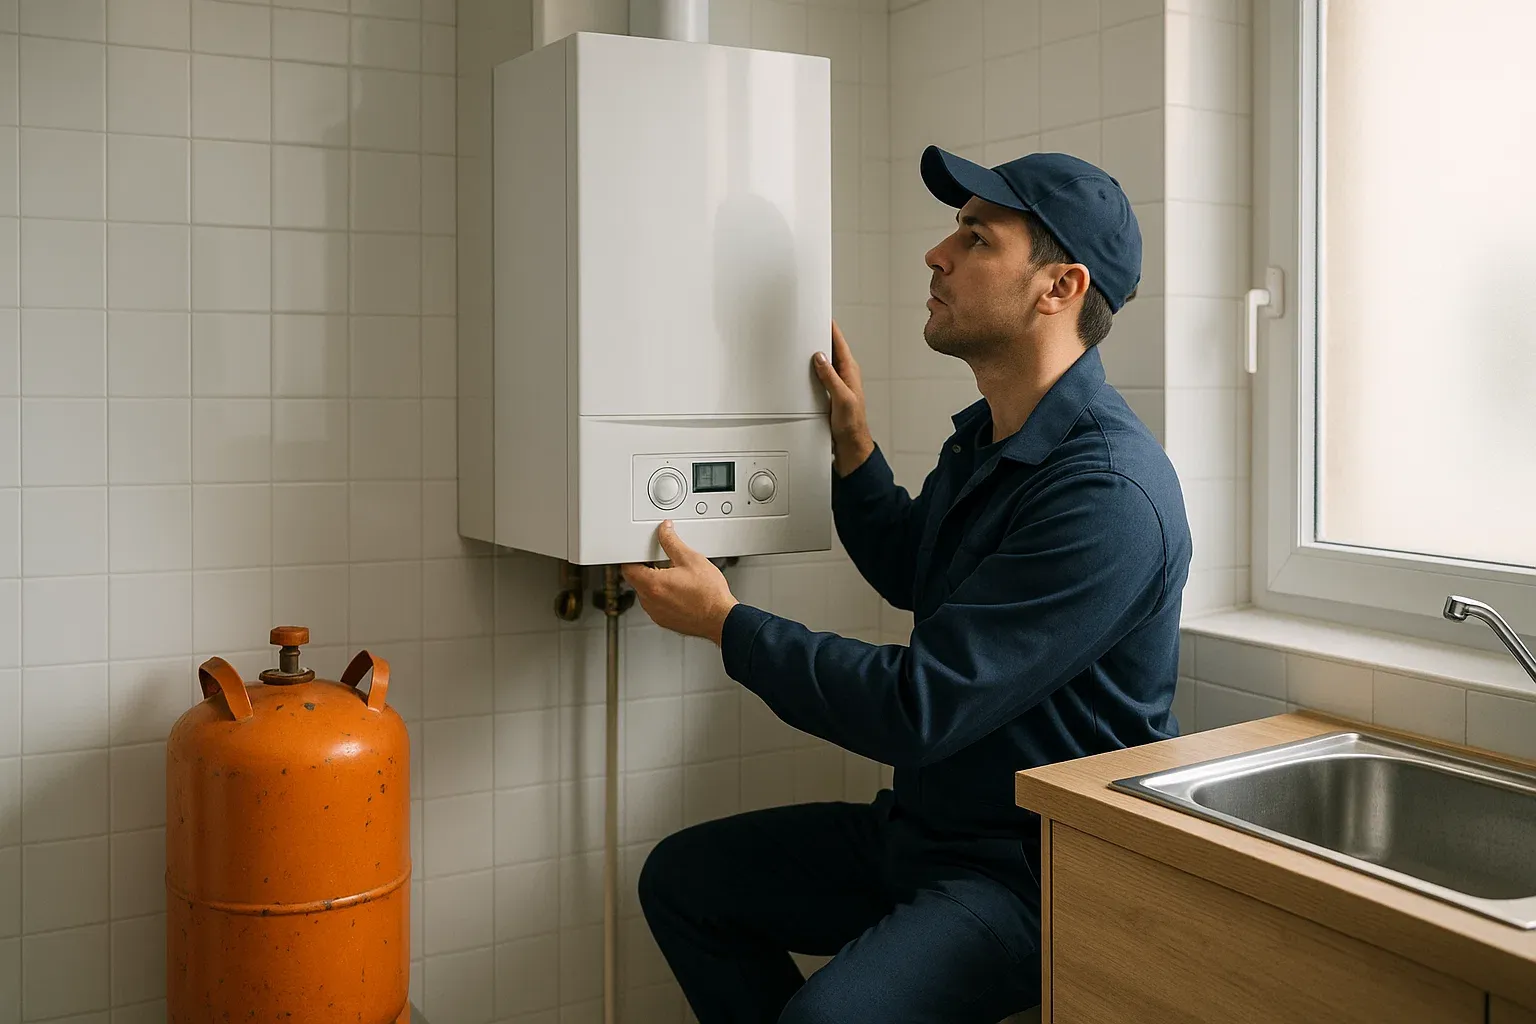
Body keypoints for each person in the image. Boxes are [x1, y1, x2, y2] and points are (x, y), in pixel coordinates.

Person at [621, 145, 1193, 1024]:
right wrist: (854, 449)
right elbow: (909, 568)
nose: (938, 253)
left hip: (1033, 875)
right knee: (686, 881)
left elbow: (918, 706)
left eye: (976, 237)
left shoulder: (1107, 496)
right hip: (926, 832)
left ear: (1059, 287)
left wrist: (728, 625)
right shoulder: (994, 439)